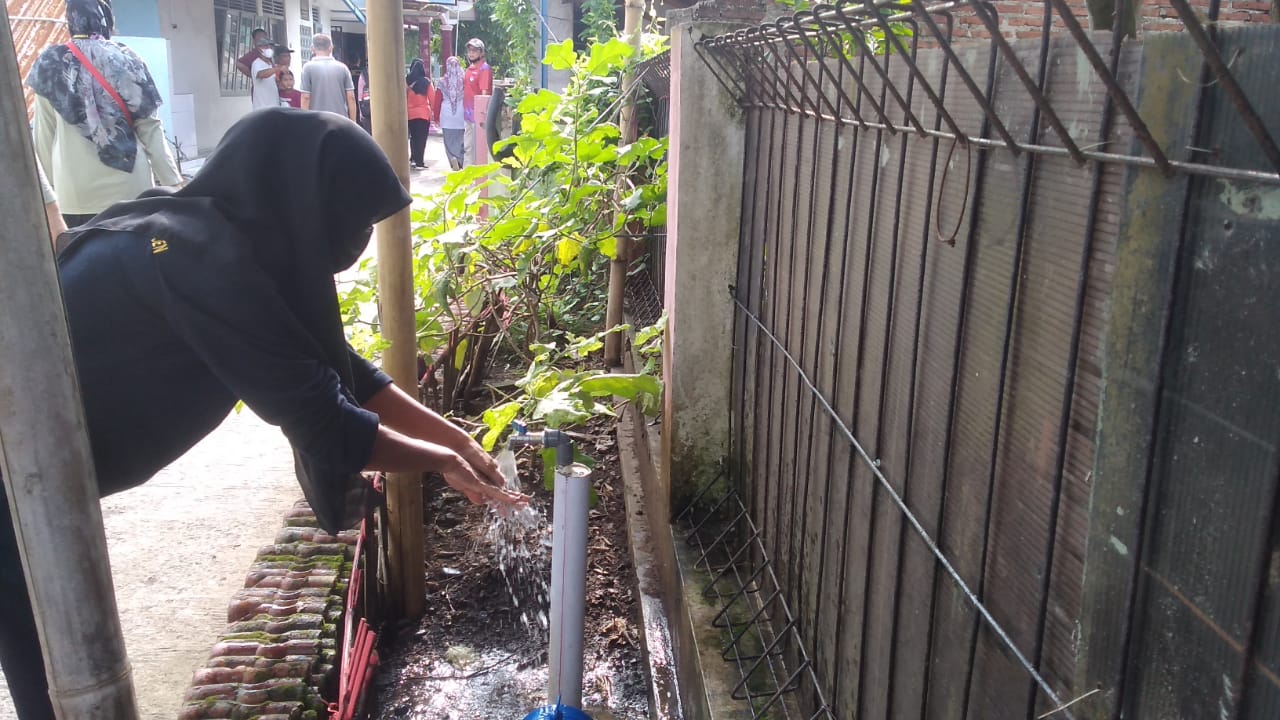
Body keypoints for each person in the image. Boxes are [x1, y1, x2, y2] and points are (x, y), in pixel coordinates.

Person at [0, 109, 528, 720]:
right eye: (350, 222)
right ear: (300, 201)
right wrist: (443, 463)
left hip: (39, 478)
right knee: (59, 668)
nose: (354, 245)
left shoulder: (215, 235)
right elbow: (324, 420)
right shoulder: (192, 258)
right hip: (16, 483)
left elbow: (343, 370)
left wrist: (454, 438)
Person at [26, 0, 182, 227]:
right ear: (106, 18)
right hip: (132, 191)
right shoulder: (129, 59)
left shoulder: (49, 63)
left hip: (75, 196)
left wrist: (49, 201)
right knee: (134, 259)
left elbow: (44, 138)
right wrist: (174, 184)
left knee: (84, 260)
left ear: (70, 19)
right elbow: (151, 130)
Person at [300, 33, 356, 121]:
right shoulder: (343, 68)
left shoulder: (307, 68)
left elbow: (305, 97)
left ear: (312, 49)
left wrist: (305, 122)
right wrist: (353, 123)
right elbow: (351, 97)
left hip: (317, 120)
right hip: (340, 120)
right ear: (331, 48)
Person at [462, 38, 493, 164]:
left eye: (475, 50)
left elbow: (484, 93)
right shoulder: (469, 69)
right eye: (469, 50)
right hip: (468, 115)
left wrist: (482, 114)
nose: (471, 53)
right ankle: (467, 176)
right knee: (468, 147)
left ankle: (477, 178)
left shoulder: (484, 69)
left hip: (479, 116)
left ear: (481, 53)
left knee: (479, 148)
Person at [437, 56, 467, 170]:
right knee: (461, 140)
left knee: (448, 141)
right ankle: (460, 161)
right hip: (461, 114)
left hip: (447, 115)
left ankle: (453, 160)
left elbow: (437, 101)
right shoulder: (464, 81)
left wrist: (435, 117)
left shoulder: (442, 82)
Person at [406, 58, 433, 169]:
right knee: (421, 138)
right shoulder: (426, 82)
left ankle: (413, 158)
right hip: (423, 114)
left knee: (413, 137)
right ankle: (420, 161)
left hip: (410, 114)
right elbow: (432, 98)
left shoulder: (406, 81)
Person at [250, 44, 282, 111]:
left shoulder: (271, 64)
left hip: (274, 105)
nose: (269, 49)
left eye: (271, 47)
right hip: (262, 107)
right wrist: (277, 68)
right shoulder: (257, 63)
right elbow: (261, 74)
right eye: (266, 46)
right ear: (259, 49)